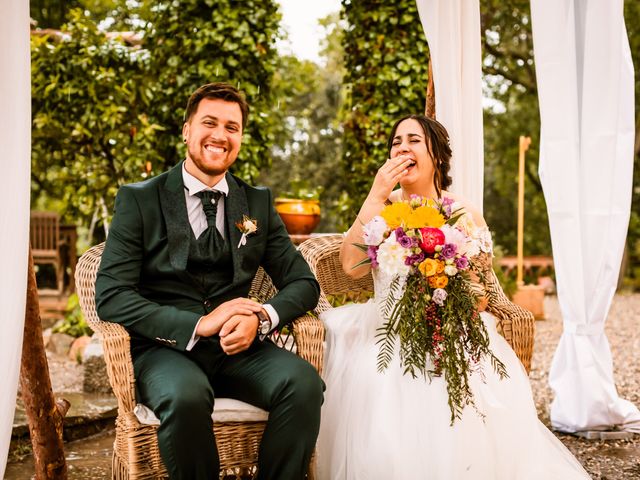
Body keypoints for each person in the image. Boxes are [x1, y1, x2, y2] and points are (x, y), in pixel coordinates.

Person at [316, 114, 590, 479]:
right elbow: (351, 266)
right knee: (377, 383)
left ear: (437, 156)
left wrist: (443, 298)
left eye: (413, 140)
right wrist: (376, 194)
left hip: (449, 328)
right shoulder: (383, 207)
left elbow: (479, 294)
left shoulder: (461, 213)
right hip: (385, 331)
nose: (402, 148)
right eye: (396, 142)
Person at [95, 82, 323, 480]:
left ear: (240, 138)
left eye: (232, 127)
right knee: (185, 396)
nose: (220, 135)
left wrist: (262, 318)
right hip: (164, 350)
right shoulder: (139, 199)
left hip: (238, 351)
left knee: (303, 384)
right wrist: (198, 325)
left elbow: (304, 283)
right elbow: (112, 296)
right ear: (186, 130)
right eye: (210, 123)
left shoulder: (257, 203)